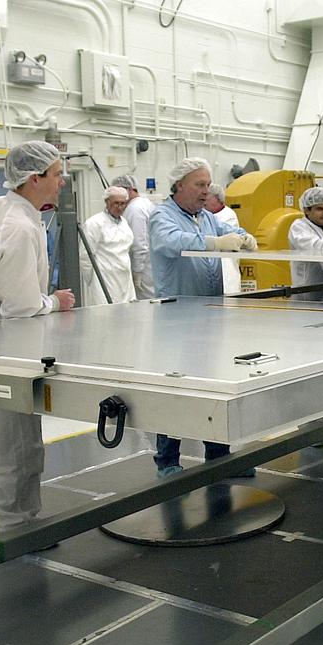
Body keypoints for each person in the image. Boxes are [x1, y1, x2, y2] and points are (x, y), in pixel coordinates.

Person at [0, 140, 76, 535]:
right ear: (33, 178)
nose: (62, 182)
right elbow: (21, 307)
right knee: (14, 444)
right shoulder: (23, 227)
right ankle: (16, 526)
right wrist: (56, 302)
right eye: (57, 175)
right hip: (6, 350)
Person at [148, 156, 257, 477]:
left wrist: (244, 237)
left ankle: (219, 456)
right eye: (199, 185)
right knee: (175, 391)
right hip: (177, 321)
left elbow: (226, 230)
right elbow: (170, 242)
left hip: (210, 317)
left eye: (208, 185)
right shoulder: (162, 216)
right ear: (179, 185)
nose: (205, 192)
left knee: (214, 388)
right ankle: (167, 461)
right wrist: (214, 242)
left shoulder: (206, 218)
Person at [78, 185, 136, 305]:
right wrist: (93, 281)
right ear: (107, 202)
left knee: (129, 319)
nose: (120, 207)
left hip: (125, 281)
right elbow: (85, 257)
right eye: (116, 203)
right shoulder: (94, 223)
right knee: (105, 319)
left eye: (123, 203)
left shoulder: (124, 223)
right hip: (104, 281)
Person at [111, 173, 157, 300]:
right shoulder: (146, 204)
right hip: (151, 265)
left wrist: (137, 272)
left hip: (145, 269)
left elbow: (139, 244)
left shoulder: (135, 209)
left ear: (130, 190)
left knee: (146, 306)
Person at [207, 182, 244, 294]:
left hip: (226, 273)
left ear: (216, 199)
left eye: (207, 198)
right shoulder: (205, 216)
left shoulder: (228, 216)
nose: (203, 200)